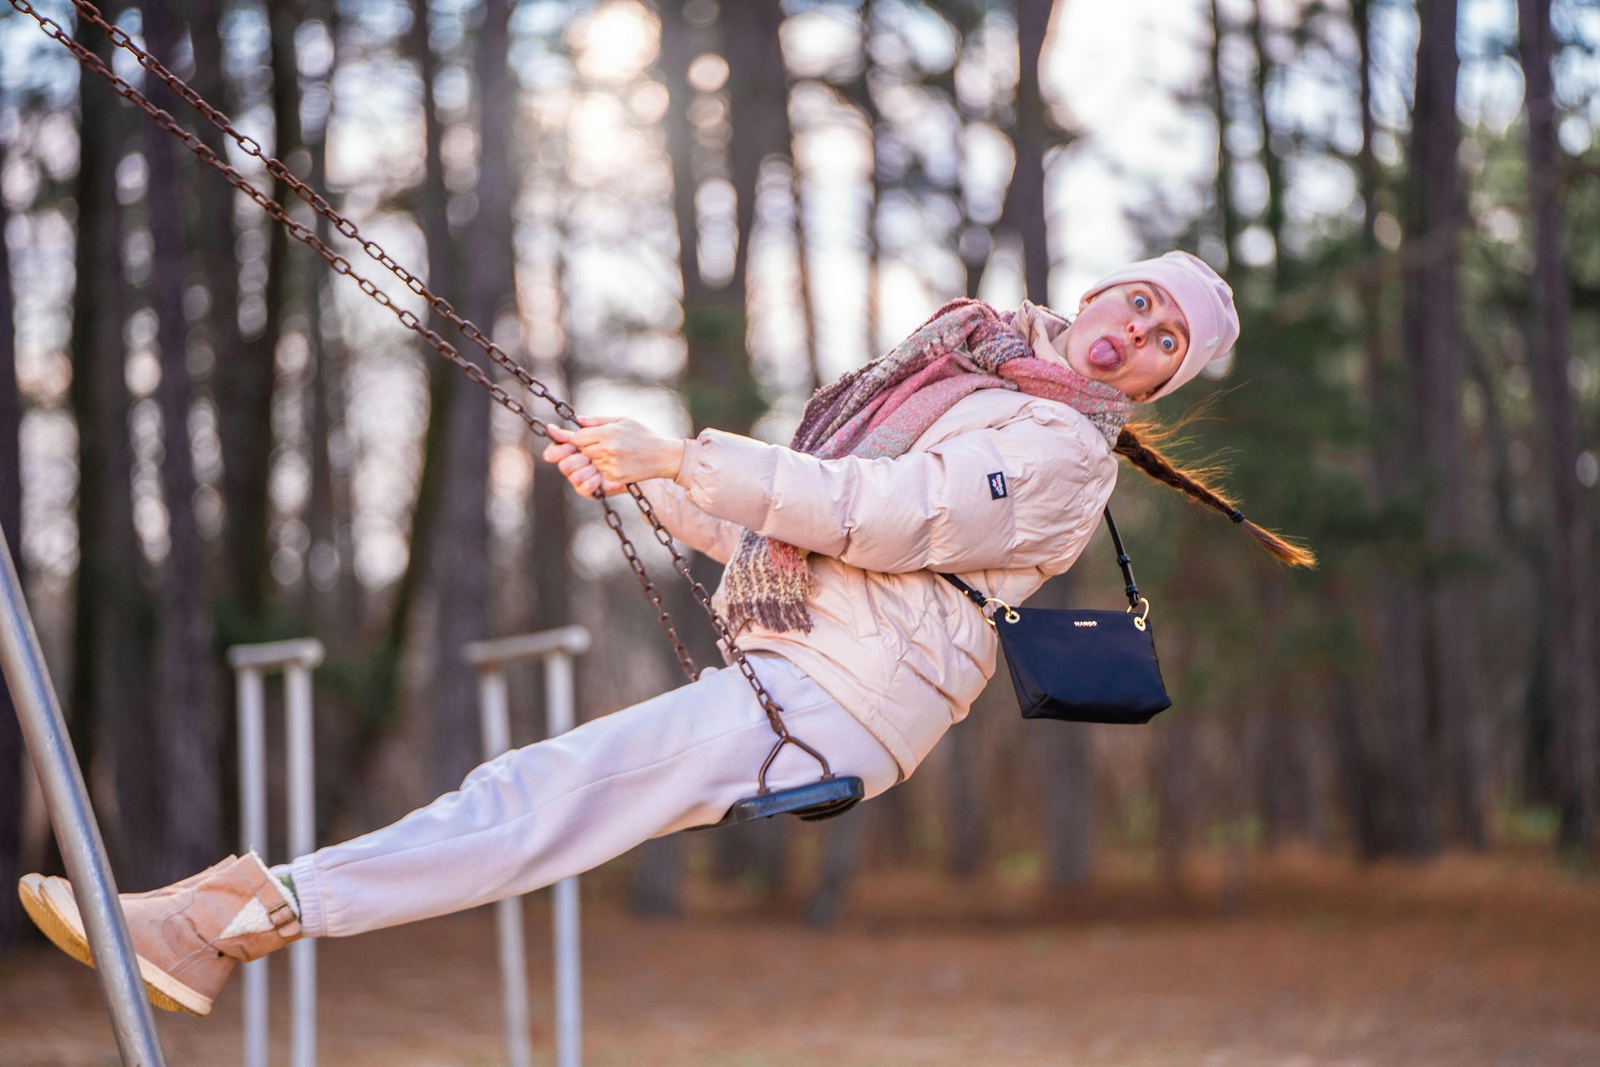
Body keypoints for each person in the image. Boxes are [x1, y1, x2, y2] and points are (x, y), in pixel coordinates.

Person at [18, 251, 1311, 1017]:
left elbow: (881, 516)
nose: (1137, 333)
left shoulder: (1057, 455)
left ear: (1154, 383)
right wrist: (656, 482)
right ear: (1105, 289)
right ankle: (224, 919)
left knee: (538, 792)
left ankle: (230, 919)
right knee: (535, 793)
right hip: (806, 663)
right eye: (1144, 304)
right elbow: (785, 545)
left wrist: (683, 453)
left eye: (1163, 344)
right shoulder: (974, 367)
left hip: (847, 704)